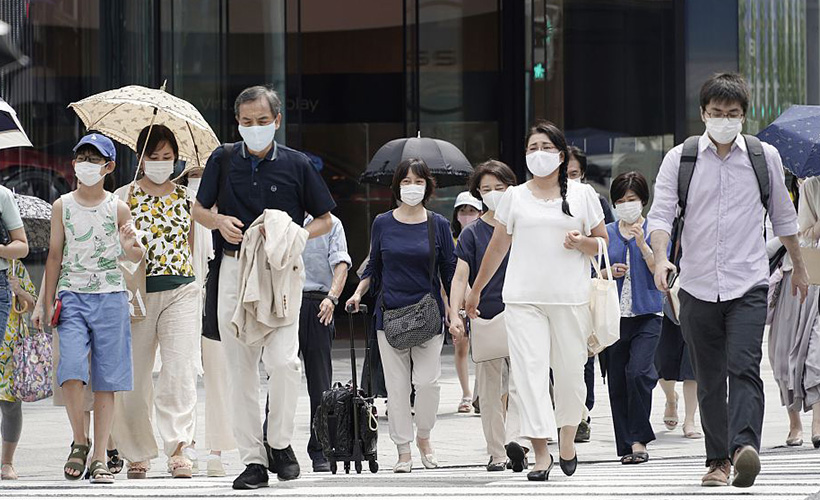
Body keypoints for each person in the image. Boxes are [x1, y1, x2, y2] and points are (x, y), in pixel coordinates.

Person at [648, 73, 808, 488]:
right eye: (716, 112)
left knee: (745, 366)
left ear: (744, 115)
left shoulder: (763, 156)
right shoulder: (681, 158)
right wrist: (661, 259)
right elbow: (661, 215)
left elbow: (784, 217)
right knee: (708, 379)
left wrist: (800, 267)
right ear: (703, 113)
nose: (724, 119)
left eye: (732, 113)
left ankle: (743, 449)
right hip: (697, 284)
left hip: (748, 282)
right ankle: (717, 460)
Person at [192, 86, 335, 489]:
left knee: (284, 362)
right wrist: (218, 222)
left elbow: (325, 218)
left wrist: (295, 235)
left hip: (281, 272)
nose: (254, 127)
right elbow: (200, 209)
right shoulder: (222, 159)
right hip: (234, 269)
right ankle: (253, 460)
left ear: (277, 121)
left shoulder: (297, 163)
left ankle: (280, 443)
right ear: (237, 122)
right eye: (246, 121)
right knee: (239, 370)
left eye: (262, 121)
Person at [465, 121, 607, 482]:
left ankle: (568, 439)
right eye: (532, 148)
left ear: (560, 155)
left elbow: (602, 243)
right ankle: (541, 453)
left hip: (569, 300)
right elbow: (498, 246)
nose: (538, 154)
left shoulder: (583, 195)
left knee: (571, 376)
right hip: (523, 299)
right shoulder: (514, 197)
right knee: (529, 376)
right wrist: (476, 289)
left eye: (545, 147)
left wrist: (582, 243)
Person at [36, 132, 144, 483]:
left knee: (106, 380)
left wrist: (130, 244)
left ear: (108, 167)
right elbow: (55, 255)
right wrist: (46, 302)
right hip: (71, 296)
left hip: (111, 296)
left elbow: (135, 256)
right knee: (70, 368)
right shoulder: (62, 205)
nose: (86, 165)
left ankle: (99, 456)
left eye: (94, 159)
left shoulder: (119, 207)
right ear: (73, 164)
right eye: (82, 158)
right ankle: (79, 441)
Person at [346, 158, 456, 474]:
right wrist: (357, 293)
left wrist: (455, 310)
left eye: (418, 181)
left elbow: (449, 271)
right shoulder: (382, 223)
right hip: (390, 315)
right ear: (396, 187)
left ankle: (424, 436)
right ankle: (403, 450)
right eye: (406, 181)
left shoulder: (438, 224)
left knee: (427, 383)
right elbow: (374, 265)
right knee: (396, 389)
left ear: (427, 186)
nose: (412, 187)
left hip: (428, 315)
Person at [111, 124, 201, 479]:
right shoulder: (123, 197)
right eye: (154, 156)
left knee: (179, 371)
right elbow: (112, 250)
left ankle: (179, 448)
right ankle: (137, 452)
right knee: (134, 375)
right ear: (140, 158)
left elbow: (189, 245)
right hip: (136, 293)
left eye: (168, 157)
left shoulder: (186, 198)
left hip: (181, 289)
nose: (161, 163)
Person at [448, 160, 531, 472]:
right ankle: (497, 452)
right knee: (490, 390)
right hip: (484, 316)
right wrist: (455, 314)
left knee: (524, 384)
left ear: (511, 189)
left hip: (523, 312)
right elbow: (460, 277)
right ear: (478, 193)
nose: (493, 193)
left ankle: (518, 442)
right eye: (486, 189)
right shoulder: (472, 233)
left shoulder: (524, 225)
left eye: (500, 187)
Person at [176, 164, 235, 476]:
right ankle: (186, 443)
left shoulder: (224, 216)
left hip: (215, 297)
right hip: (181, 297)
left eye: (203, 177)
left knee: (218, 375)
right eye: (192, 177)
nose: (197, 183)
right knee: (182, 375)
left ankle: (216, 451)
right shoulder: (177, 210)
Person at [604, 171, 663, 465]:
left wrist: (643, 246)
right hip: (614, 316)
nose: (626, 205)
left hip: (648, 313)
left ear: (642, 200)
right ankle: (627, 445)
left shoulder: (655, 230)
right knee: (617, 380)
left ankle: (640, 439)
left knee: (638, 373)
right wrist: (608, 272)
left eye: (631, 199)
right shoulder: (606, 232)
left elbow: (660, 269)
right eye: (620, 201)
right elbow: (591, 269)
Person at [768, 176, 820, 448]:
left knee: (815, 353)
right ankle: (794, 423)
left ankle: (817, 423)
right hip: (799, 274)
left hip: (816, 282)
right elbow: (804, 234)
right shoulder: (810, 186)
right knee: (784, 353)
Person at [298, 211, 351, 472]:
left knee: (320, 383)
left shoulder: (332, 223)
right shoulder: (278, 216)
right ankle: (272, 446)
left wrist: (332, 297)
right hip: (282, 302)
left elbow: (341, 263)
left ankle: (321, 449)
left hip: (317, 303)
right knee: (278, 375)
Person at [567, 145, 613, 443]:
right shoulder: (538, 201)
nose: (568, 179)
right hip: (551, 288)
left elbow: (606, 242)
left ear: (582, 173)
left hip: (585, 286)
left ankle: (583, 414)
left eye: (573, 173)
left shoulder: (593, 200)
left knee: (584, 353)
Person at [0, 260, 35, 480]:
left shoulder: (15, 266)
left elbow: (32, 304)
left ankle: (7, 462)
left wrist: (18, 290)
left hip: (11, 347)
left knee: (11, 407)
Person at [451, 191, 482, 414]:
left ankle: (481, 393)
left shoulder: (486, 236)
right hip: (459, 303)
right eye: (463, 211)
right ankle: (466, 394)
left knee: (484, 349)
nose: (467, 214)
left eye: (472, 210)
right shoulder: (452, 240)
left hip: (482, 301)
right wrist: (451, 308)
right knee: (461, 347)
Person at [655, 319, 701, 439]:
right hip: (667, 313)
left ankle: (689, 420)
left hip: (694, 312)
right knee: (663, 364)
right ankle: (671, 398)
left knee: (693, 364)